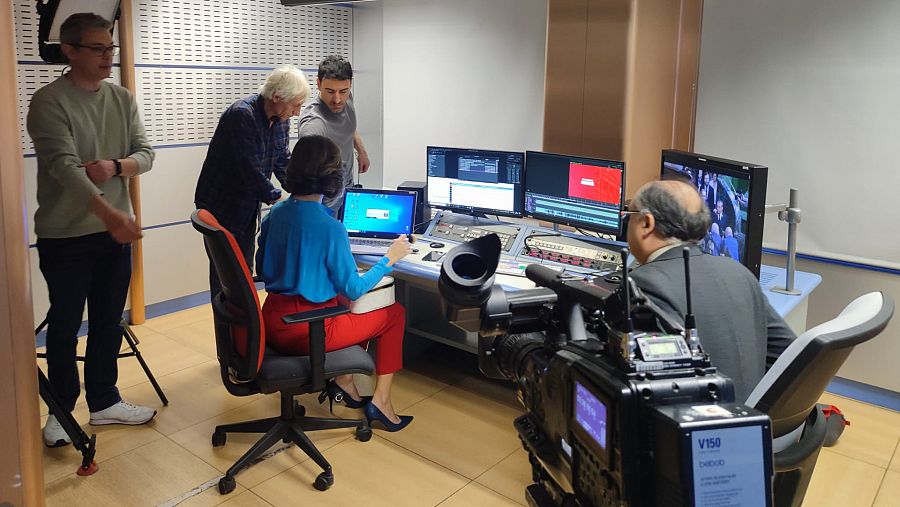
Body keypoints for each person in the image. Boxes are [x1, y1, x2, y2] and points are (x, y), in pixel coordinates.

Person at [26, 13, 157, 446]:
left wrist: (115, 166)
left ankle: (104, 401)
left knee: (107, 321)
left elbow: (146, 154)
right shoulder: (48, 101)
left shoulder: (121, 99)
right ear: (70, 51)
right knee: (65, 326)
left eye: (110, 47)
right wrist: (111, 214)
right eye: (98, 48)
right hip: (66, 236)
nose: (108, 56)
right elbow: (64, 167)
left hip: (112, 236)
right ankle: (61, 411)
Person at [256, 135, 413, 432]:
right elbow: (354, 287)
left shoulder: (274, 215)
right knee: (393, 314)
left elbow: (263, 267)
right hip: (307, 331)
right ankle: (381, 402)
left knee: (348, 304)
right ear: (333, 177)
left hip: (272, 323)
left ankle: (344, 381)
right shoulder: (331, 228)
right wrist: (389, 258)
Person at [623, 180, 795, 400]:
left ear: (647, 223)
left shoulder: (640, 284)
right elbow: (790, 355)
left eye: (630, 215)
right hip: (750, 415)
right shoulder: (738, 272)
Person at [194, 66, 309, 297]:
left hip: (247, 206)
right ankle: (227, 320)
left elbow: (282, 161)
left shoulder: (281, 119)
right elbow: (249, 171)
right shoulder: (241, 115)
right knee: (226, 280)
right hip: (221, 207)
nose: (297, 113)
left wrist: (302, 194)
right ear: (276, 97)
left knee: (244, 273)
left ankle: (244, 320)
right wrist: (280, 200)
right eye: (295, 105)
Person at [297, 55, 370, 215]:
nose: (337, 99)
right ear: (318, 84)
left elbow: (348, 125)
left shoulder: (346, 98)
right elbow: (307, 170)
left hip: (347, 184)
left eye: (343, 91)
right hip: (326, 198)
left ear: (350, 85)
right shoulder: (314, 123)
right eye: (330, 91)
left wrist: (361, 150)